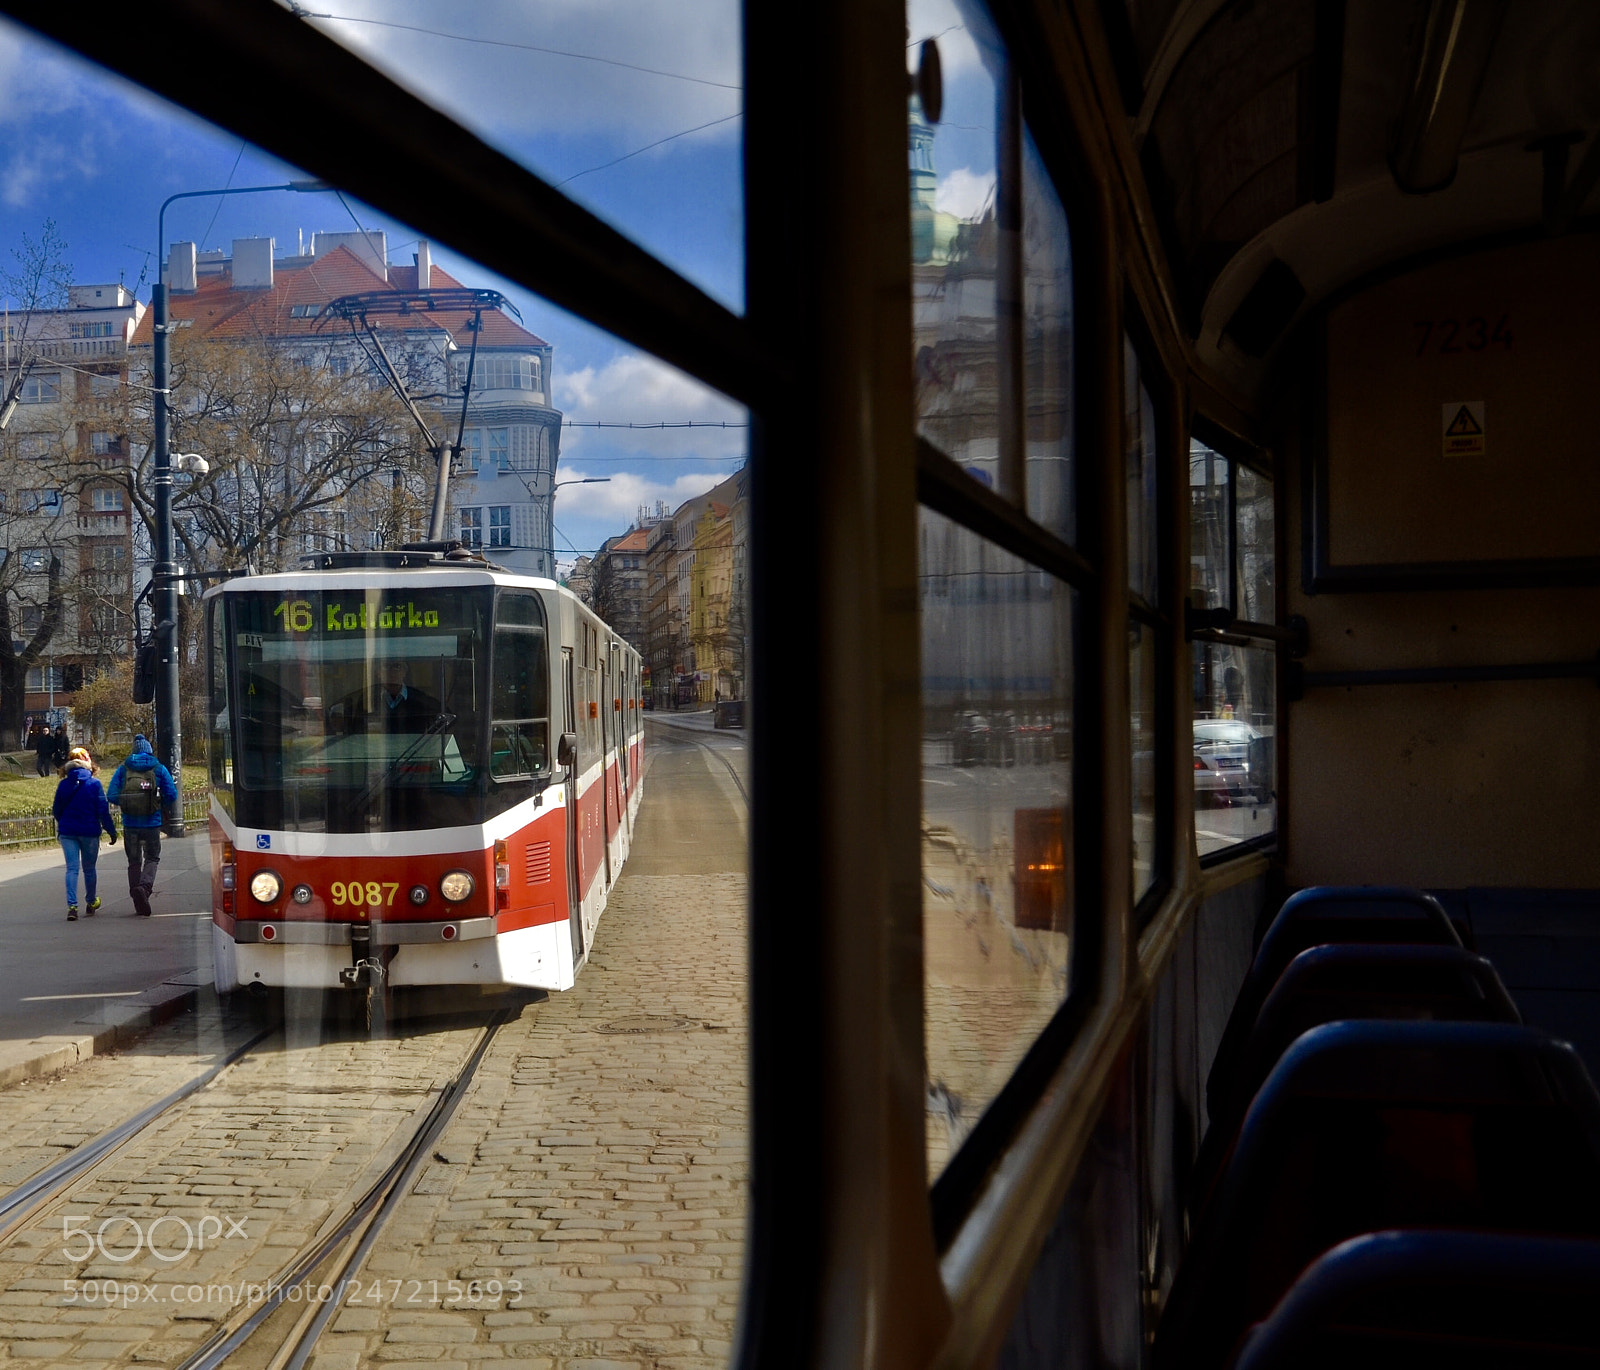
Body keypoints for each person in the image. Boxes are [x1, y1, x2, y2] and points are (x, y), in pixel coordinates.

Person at [106, 734, 177, 918]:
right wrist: (157, 802)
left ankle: (137, 897)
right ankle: (144, 888)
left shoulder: (124, 769)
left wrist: (128, 801)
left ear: (134, 751)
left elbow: (112, 795)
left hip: (130, 824)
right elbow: (172, 794)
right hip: (152, 823)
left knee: (134, 861)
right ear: (149, 750)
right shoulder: (158, 768)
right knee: (152, 858)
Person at [52, 746, 116, 921]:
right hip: (89, 831)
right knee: (89, 869)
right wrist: (111, 831)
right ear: (87, 762)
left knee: (71, 869)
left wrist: (65, 822)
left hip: (68, 832)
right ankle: (91, 901)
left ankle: (72, 906)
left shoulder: (64, 784)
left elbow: (56, 810)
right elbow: (103, 810)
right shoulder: (94, 784)